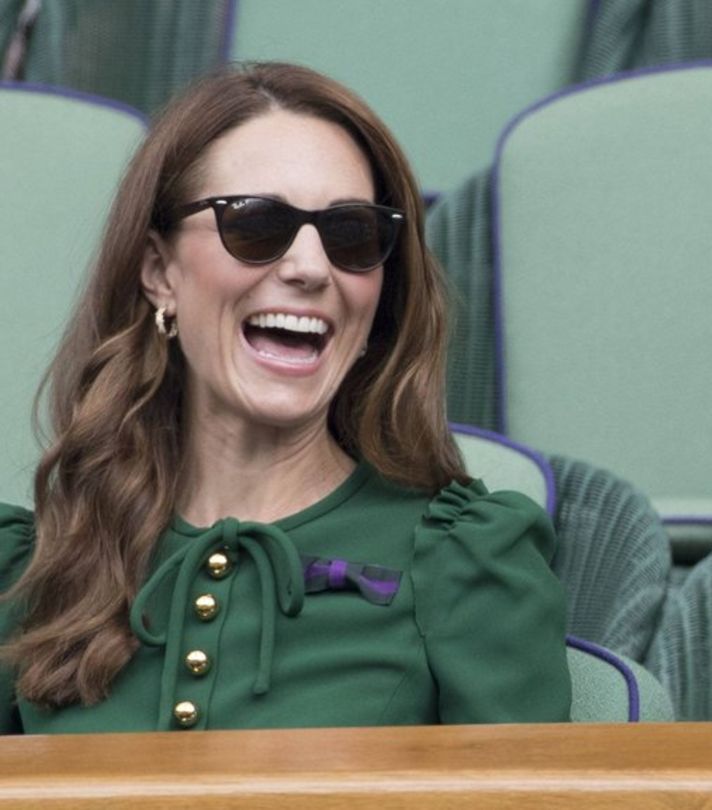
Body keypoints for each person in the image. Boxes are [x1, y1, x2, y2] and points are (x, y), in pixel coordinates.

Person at [0, 62, 570, 732]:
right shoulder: (36, 571)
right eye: (257, 224)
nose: (308, 268)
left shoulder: (468, 562)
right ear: (159, 272)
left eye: (352, 234)